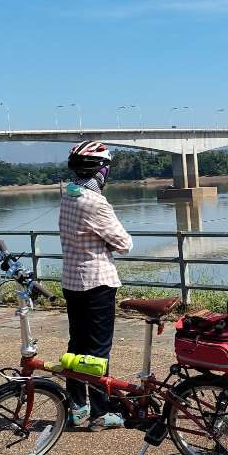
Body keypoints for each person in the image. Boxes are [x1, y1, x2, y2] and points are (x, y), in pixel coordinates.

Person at [59, 140, 133, 430]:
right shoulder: (95, 202)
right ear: (100, 170)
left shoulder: (68, 196)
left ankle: (77, 406)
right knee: (99, 350)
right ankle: (102, 412)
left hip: (71, 280)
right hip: (97, 283)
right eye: (106, 167)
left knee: (76, 345)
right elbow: (125, 243)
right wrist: (105, 242)